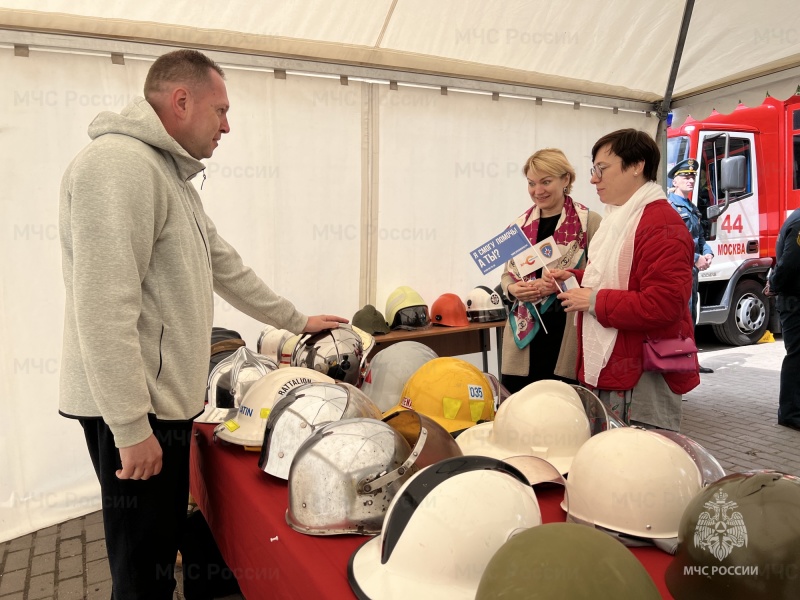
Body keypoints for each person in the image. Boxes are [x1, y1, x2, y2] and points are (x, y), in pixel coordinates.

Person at [58, 49, 347, 599]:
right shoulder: (118, 166)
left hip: (156, 399)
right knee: (142, 572)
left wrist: (295, 320)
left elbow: (224, 264)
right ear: (181, 100)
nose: (227, 125)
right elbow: (102, 309)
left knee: (157, 555)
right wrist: (130, 429)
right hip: (133, 405)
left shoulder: (167, 175)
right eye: (220, 110)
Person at [545, 129, 699, 430]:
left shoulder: (662, 225)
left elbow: (663, 304)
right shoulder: (621, 217)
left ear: (637, 165)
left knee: (639, 468)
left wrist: (591, 299)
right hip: (619, 366)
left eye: (601, 169)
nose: (593, 179)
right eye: (594, 170)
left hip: (643, 375)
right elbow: (622, 280)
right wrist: (577, 279)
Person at [500, 148, 602, 394]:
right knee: (520, 408)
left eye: (546, 182)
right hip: (523, 335)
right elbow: (506, 275)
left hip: (564, 330)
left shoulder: (590, 222)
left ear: (566, 179)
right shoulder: (517, 226)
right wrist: (513, 289)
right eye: (532, 183)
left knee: (562, 409)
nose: (537, 191)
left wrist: (561, 284)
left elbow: (600, 277)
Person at [668, 158, 715, 374]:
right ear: (675, 181)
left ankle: (690, 359)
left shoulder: (692, 208)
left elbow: (700, 237)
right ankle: (678, 361)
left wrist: (708, 253)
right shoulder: (670, 206)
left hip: (691, 271)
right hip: (678, 270)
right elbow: (673, 241)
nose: (691, 180)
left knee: (691, 313)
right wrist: (695, 256)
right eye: (686, 176)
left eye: (693, 176)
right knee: (680, 314)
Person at [765, 207, 800, 431]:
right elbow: (790, 263)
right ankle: (791, 413)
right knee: (797, 357)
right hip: (795, 301)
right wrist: (774, 284)